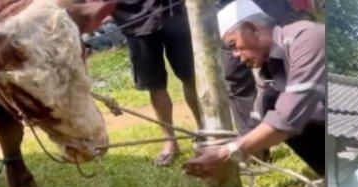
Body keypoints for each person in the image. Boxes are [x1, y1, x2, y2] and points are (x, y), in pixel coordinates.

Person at [187, 2, 325, 177]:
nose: (236, 55)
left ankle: (343, 175)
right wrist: (231, 145)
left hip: (352, 125)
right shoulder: (270, 64)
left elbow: (288, 118)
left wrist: (228, 152)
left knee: (292, 116)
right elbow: (259, 117)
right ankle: (331, 175)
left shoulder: (306, 39)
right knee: (273, 112)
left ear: (252, 29)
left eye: (234, 45)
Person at [113, 0, 201, 166]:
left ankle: (204, 132)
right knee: (155, 85)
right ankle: (170, 142)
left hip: (172, 10)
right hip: (134, 19)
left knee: (190, 76)